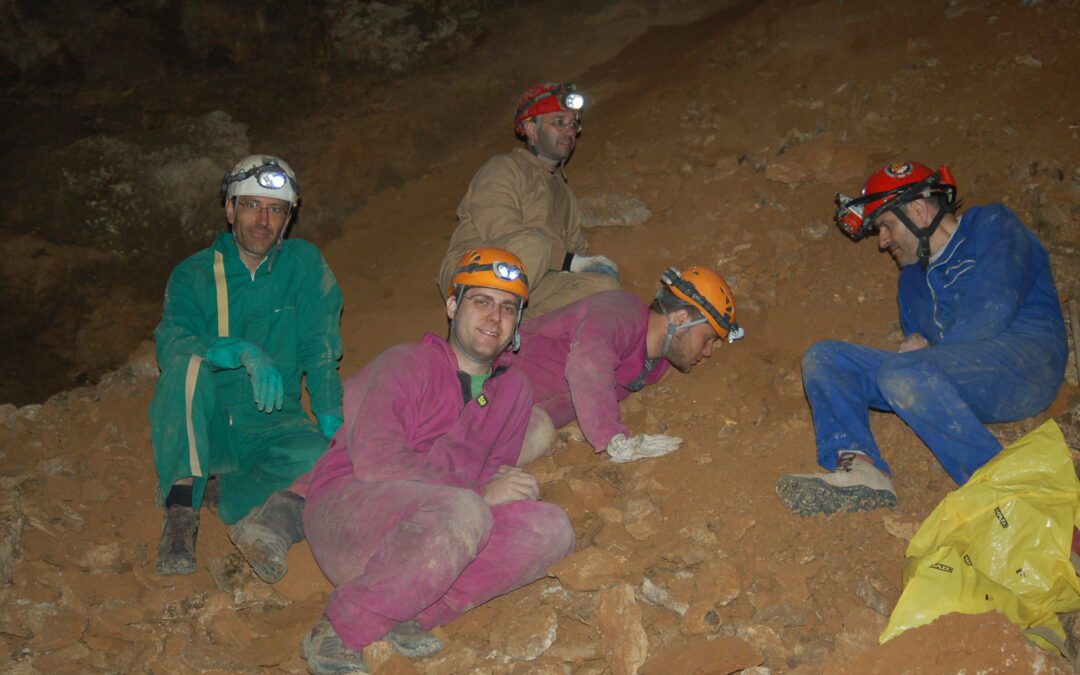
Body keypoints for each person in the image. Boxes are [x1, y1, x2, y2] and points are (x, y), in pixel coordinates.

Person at [300, 248, 575, 674]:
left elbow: (494, 472)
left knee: (552, 529)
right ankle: (342, 628)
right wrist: (480, 494)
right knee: (466, 509)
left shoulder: (513, 390)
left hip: (437, 535)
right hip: (352, 512)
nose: (494, 317)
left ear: (518, 321)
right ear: (452, 305)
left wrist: (493, 492)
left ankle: (412, 614)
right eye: (481, 301)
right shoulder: (406, 364)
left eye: (507, 308)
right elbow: (377, 462)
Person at [777, 161, 1068, 516]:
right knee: (826, 358)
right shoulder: (912, 282)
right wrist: (921, 358)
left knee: (904, 373)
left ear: (918, 209)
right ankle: (863, 470)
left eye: (886, 225)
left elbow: (993, 309)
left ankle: (1014, 498)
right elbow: (922, 356)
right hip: (955, 377)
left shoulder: (991, 224)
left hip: (1027, 363)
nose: (882, 242)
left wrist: (924, 357)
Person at [149, 155, 344, 579]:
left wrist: (331, 421)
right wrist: (236, 350)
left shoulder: (304, 265)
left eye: (276, 210)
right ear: (230, 209)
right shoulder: (194, 274)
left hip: (275, 426)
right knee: (185, 370)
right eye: (252, 205)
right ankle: (181, 516)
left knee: (325, 462)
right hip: (211, 423)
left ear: (288, 219)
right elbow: (172, 342)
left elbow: (321, 347)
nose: (263, 219)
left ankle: (224, 493)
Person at [510, 267, 744, 465]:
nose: (707, 352)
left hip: (516, 414)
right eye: (707, 339)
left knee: (539, 433)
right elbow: (588, 363)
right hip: (490, 383)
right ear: (680, 320)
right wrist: (612, 437)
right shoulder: (623, 310)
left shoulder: (655, 363)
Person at [439, 82, 621, 318]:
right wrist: (570, 262)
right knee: (533, 245)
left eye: (573, 124)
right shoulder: (503, 168)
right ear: (530, 129)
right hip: (475, 273)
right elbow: (504, 230)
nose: (569, 131)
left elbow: (575, 251)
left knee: (604, 287)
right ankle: (478, 326)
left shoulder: (564, 196)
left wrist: (583, 267)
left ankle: (516, 335)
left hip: (531, 285)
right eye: (558, 123)